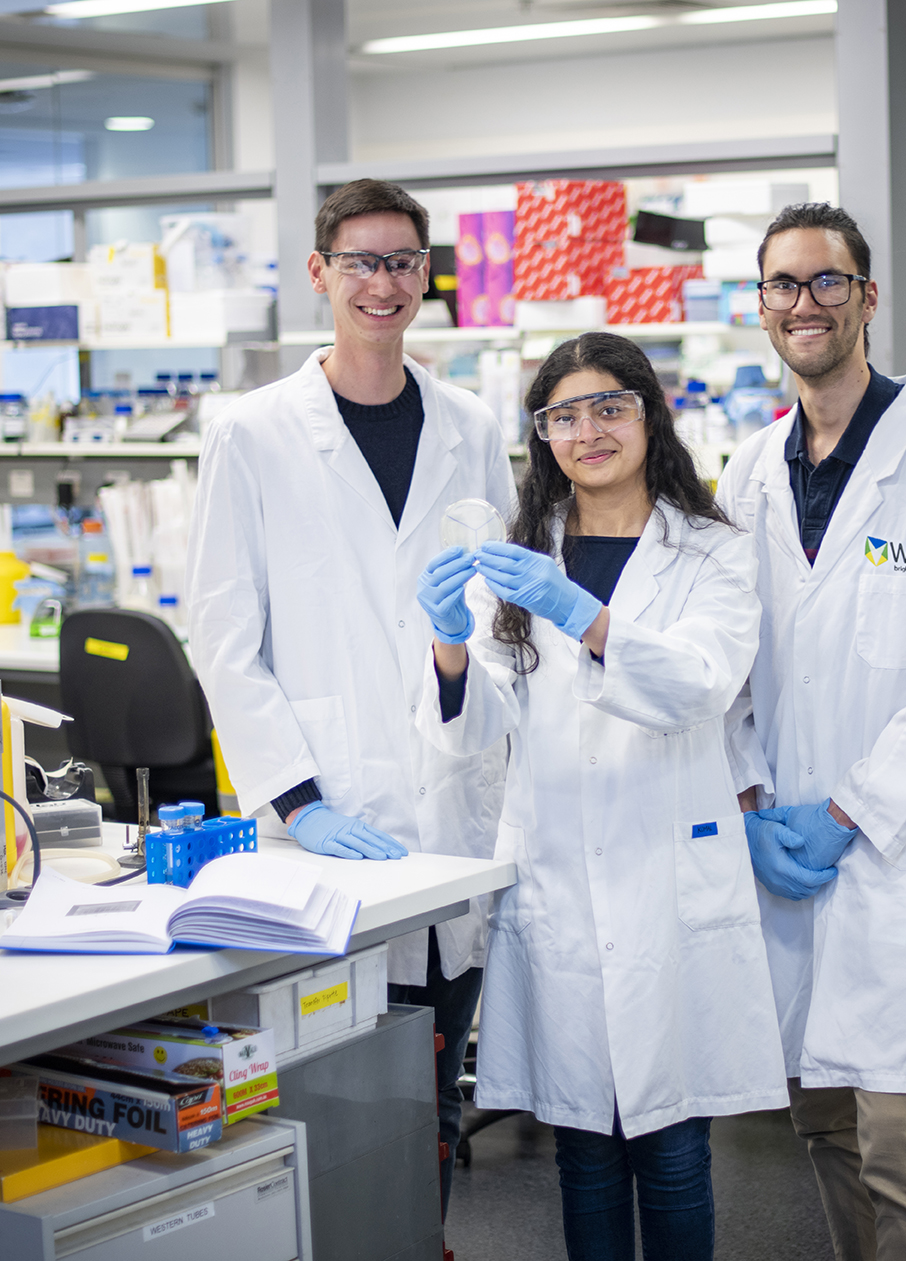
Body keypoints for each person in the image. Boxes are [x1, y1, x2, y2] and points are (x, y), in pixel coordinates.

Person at [414, 331, 787, 1261]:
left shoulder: (711, 552)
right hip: (559, 876)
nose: (588, 430)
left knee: (669, 1148)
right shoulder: (521, 554)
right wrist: (447, 647)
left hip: (670, 869)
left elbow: (700, 683)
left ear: (648, 415)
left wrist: (582, 613)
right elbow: (479, 729)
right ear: (541, 435)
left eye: (609, 407)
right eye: (563, 415)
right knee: (582, 1148)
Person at [186, 178, 515, 1219]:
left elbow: (505, 619)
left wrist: (474, 703)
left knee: (434, 1104)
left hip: (450, 807)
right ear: (321, 272)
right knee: (331, 1104)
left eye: (404, 263)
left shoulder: (469, 424)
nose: (384, 283)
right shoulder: (251, 432)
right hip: (321, 824)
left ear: (428, 278)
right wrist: (298, 796)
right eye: (363, 262)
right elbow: (225, 640)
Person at [716, 203, 906, 1261]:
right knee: (816, 1116)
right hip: (787, 850)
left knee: (898, 1135)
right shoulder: (748, 471)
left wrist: (851, 811)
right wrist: (753, 799)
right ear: (759, 306)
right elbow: (734, 667)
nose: (803, 305)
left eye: (826, 282)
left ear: (866, 297)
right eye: (782, 286)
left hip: (898, 841)